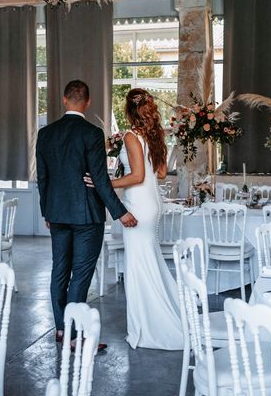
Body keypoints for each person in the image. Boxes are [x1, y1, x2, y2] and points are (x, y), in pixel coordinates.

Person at [36, 80, 137, 347]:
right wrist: (120, 212)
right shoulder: (92, 133)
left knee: (60, 270)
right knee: (80, 274)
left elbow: (42, 179)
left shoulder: (46, 134)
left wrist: (47, 210)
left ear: (64, 99)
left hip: (57, 213)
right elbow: (99, 179)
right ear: (88, 102)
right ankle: (72, 335)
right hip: (86, 216)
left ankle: (61, 328)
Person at [86, 88, 183, 350]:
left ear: (129, 110)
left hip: (139, 203)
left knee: (138, 266)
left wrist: (102, 182)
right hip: (151, 202)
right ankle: (155, 317)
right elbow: (160, 173)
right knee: (146, 262)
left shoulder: (131, 136)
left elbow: (137, 176)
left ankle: (149, 326)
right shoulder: (154, 135)